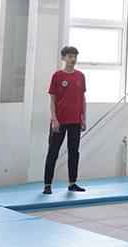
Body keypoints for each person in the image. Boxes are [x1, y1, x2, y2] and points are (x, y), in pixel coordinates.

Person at [43, 46, 86, 195]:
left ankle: (72, 183)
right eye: (69, 56)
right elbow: (52, 99)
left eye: (74, 56)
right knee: (53, 152)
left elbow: (83, 98)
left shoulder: (80, 76)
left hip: (75, 120)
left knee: (74, 152)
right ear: (63, 58)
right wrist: (54, 119)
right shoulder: (57, 76)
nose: (72, 59)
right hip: (59, 121)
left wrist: (83, 118)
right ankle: (47, 184)